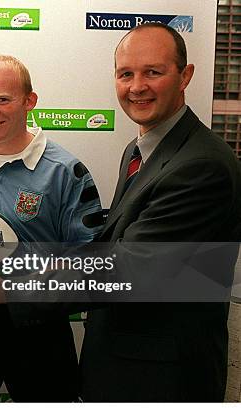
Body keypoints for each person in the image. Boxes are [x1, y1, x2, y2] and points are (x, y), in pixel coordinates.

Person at [79, 23, 241, 401]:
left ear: (185, 76)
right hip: (125, 367)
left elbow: (127, 269)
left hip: (163, 381)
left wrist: (6, 281)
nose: (137, 86)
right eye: (126, 74)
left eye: (153, 72)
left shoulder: (201, 165)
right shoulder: (141, 150)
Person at [0, 55, 104, 401]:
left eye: (2, 100)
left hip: (38, 332)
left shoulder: (65, 171)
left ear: (30, 101)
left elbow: (91, 266)